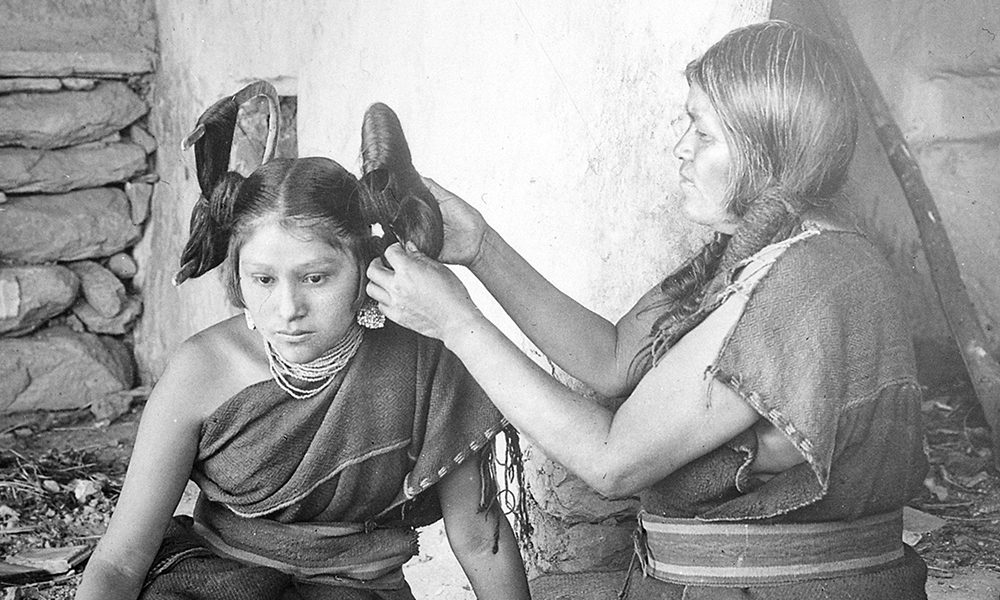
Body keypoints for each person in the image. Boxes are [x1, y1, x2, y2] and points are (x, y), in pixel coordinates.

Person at [366, 20, 929, 599]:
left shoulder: (806, 281)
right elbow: (614, 358)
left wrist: (457, 322)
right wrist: (482, 247)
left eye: (704, 133)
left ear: (770, 150)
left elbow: (612, 462)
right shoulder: (769, 248)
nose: (681, 148)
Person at [75, 83, 530, 600]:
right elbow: (120, 560)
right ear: (237, 276)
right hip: (216, 583)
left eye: (315, 278)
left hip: (356, 590)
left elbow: (481, 540)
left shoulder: (425, 358)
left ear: (365, 267)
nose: (287, 308)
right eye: (263, 279)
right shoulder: (201, 369)